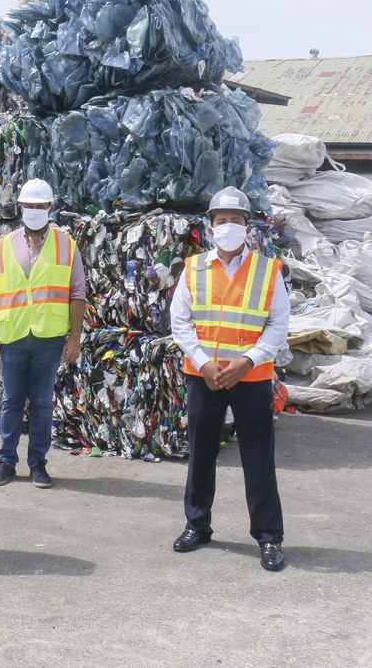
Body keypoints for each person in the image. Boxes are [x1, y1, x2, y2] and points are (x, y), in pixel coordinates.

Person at [169, 186, 288, 571]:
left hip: (251, 376)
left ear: (247, 227)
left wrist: (248, 361)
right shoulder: (193, 267)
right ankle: (197, 525)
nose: (229, 227)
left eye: (236, 221)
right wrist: (203, 363)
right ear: (211, 227)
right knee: (201, 452)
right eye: (222, 221)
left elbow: (278, 325)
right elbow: (180, 322)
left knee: (258, 457)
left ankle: (269, 538)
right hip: (204, 375)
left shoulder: (268, 270)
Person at [0, 179, 86, 489]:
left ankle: (38, 463)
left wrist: (74, 338)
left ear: (51, 209)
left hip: (49, 336)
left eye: (41, 206)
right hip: (13, 334)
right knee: (12, 400)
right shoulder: (1, 246)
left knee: (41, 402)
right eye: (30, 205)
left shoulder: (67, 246)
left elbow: (77, 293)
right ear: (20, 208)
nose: (35, 211)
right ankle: (6, 462)